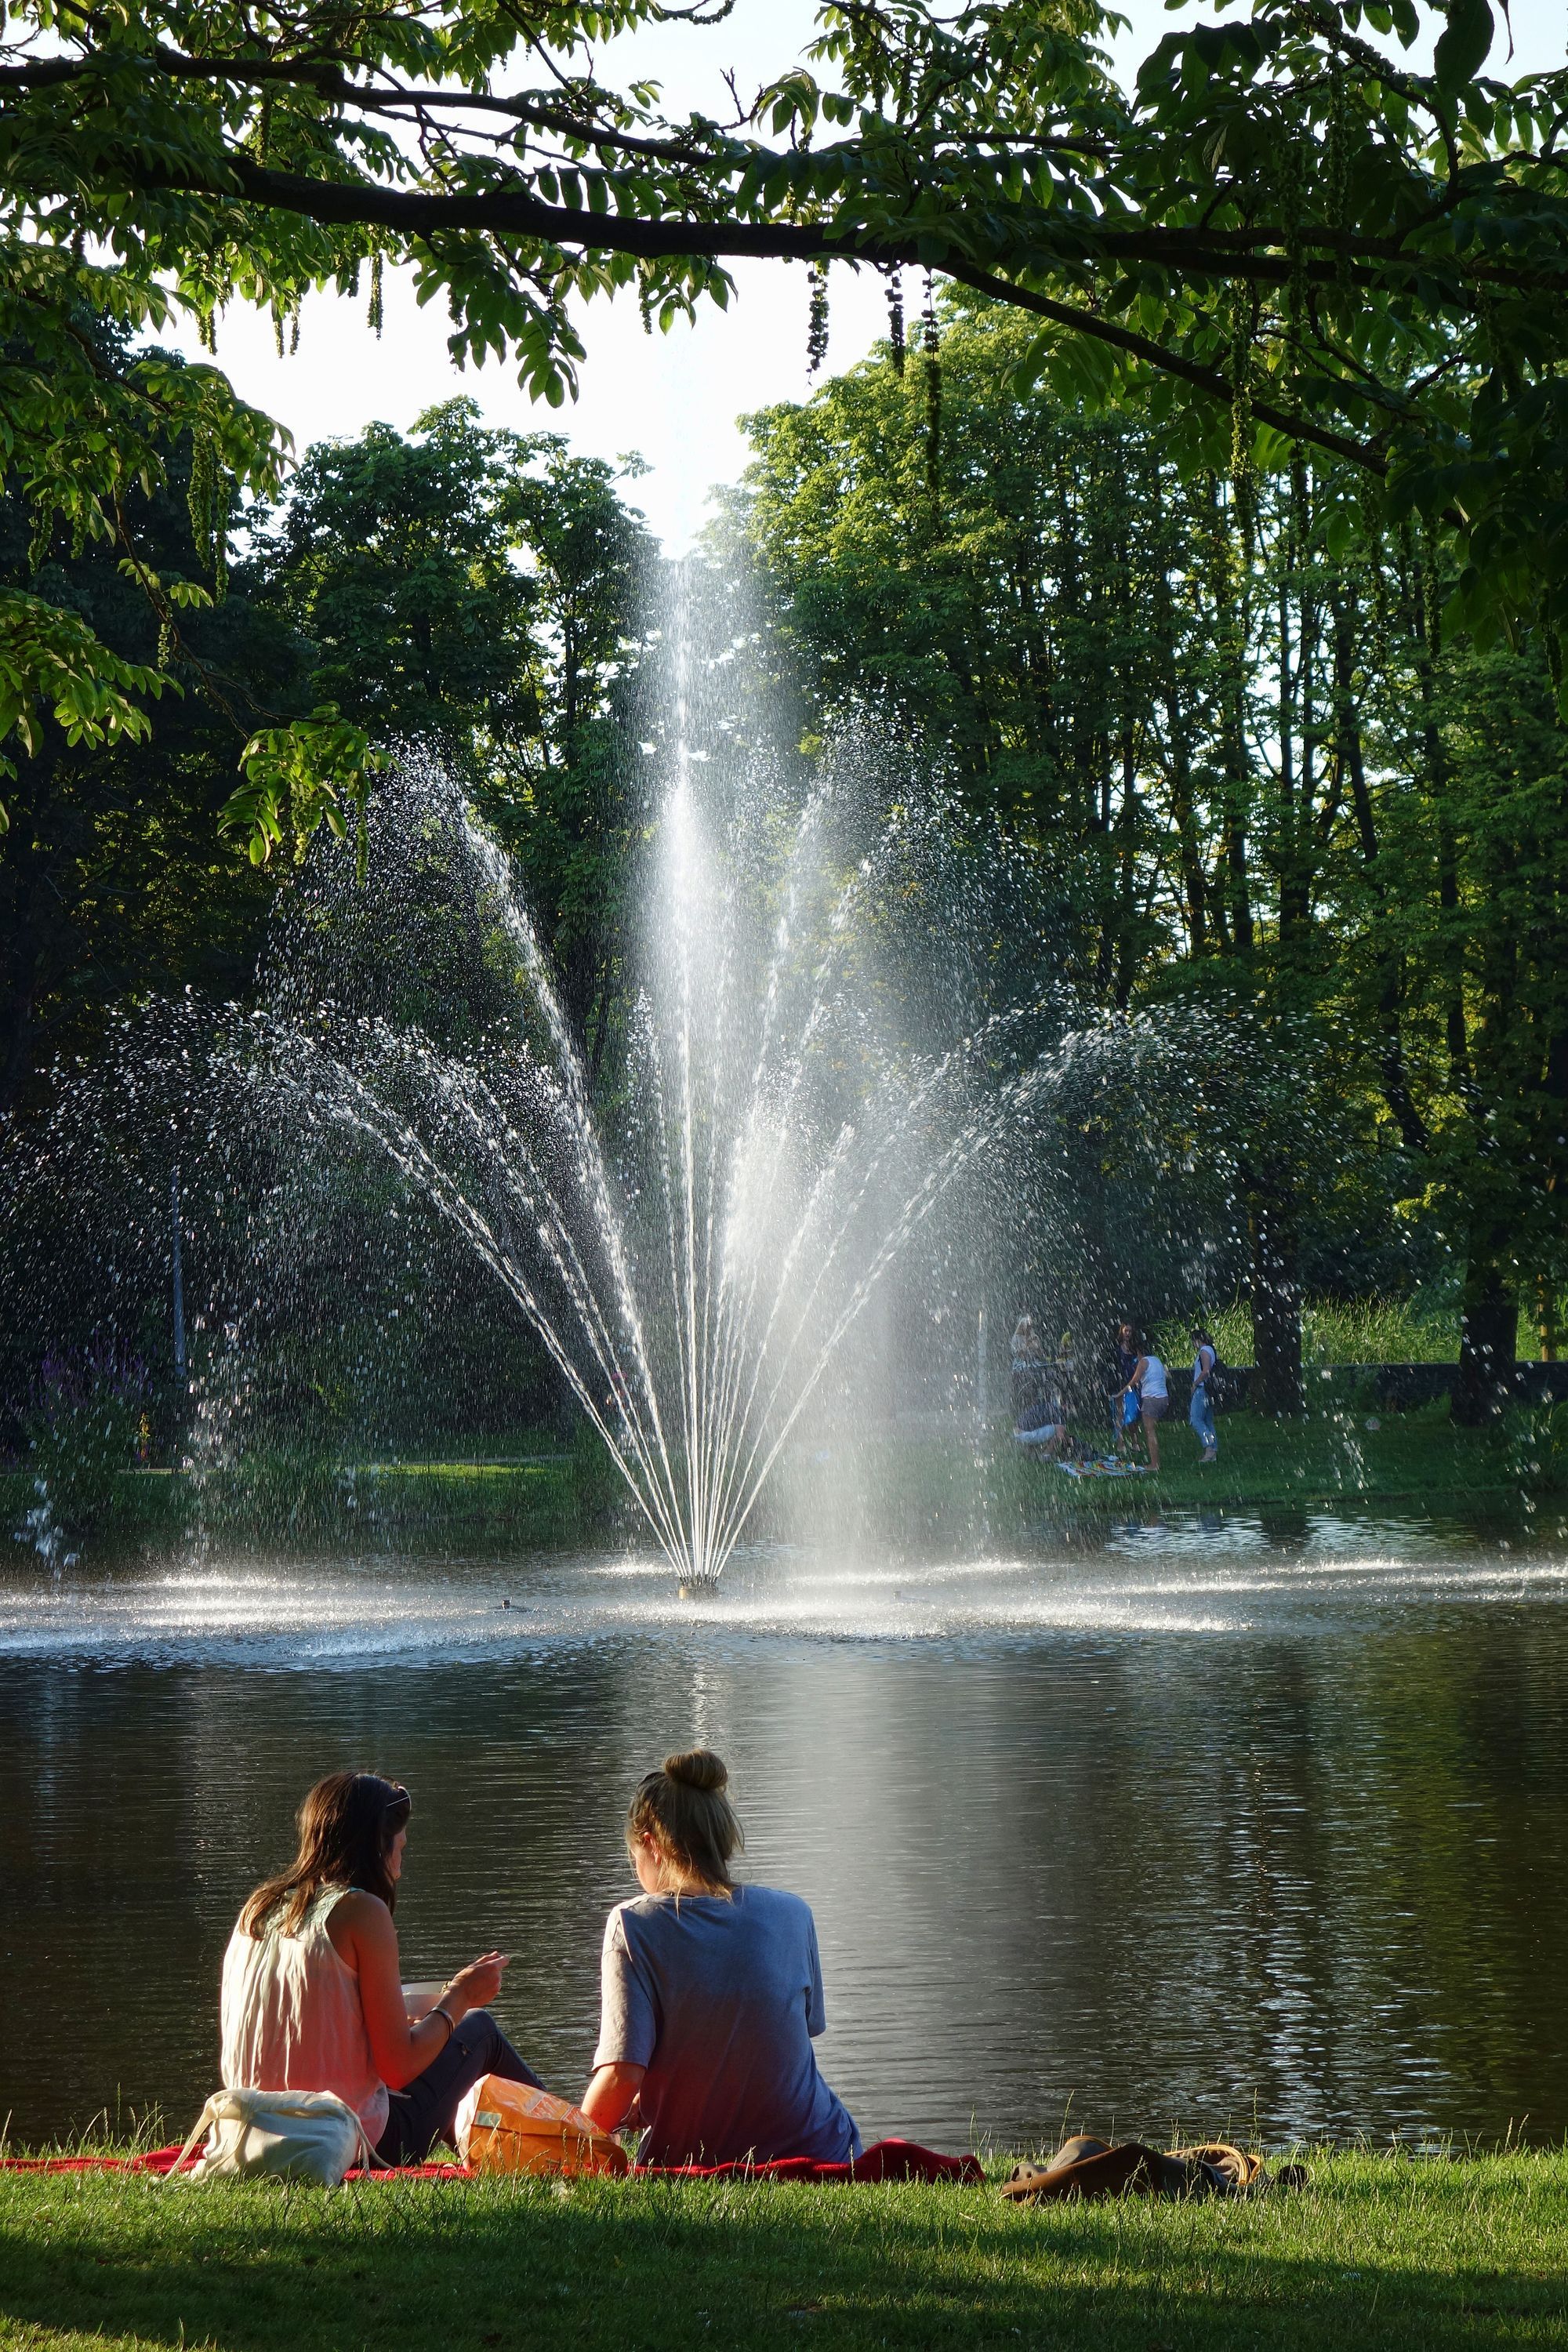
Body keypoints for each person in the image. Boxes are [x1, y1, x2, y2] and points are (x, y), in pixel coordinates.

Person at [220, 1769, 543, 2162]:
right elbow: (398, 2068)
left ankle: (511, 2150)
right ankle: (581, 2144)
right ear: (377, 1845)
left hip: (248, 2131)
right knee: (480, 2031)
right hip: (346, 2140)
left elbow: (302, 2028)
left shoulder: (260, 1908)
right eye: (400, 1848)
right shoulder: (360, 1911)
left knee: (444, 2052)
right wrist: (460, 1996)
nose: (400, 1868)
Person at [580, 1748, 859, 2169]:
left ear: (652, 1845)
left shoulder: (633, 1925)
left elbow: (622, 2075)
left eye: (634, 1856)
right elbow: (767, 2043)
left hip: (693, 2159)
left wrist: (565, 2147)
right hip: (825, 2150)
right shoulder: (793, 1913)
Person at [1011, 1314, 1063, 1457]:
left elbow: (1040, 1354)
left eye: (1030, 1326)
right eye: (1026, 1326)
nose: (1029, 1329)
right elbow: (1019, 1355)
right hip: (1022, 1367)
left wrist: (1036, 1345)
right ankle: (1032, 1446)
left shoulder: (1034, 1337)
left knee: (1043, 1375)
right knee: (1029, 1393)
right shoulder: (1016, 1339)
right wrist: (1027, 1345)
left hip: (1035, 1367)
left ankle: (1042, 1398)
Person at [1123, 1336, 1169, 1473]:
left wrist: (1120, 1394)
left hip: (1151, 1399)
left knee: (1150, 1432)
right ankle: (1155, 1462)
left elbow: (1133, 1381)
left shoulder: (1143, 1362)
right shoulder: (1157, 1360)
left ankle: (1154, 1464)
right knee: (1151, 1430)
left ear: (1138, 1351)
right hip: (1163, 1399)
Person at [1106, 1319, 1141, 1453]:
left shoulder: (1135, 1349)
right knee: (1120, 1414)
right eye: (1126, 1331)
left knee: (1132, 1415)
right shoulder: (1116, 1349)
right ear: (1121, 1331)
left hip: (1133, 1384)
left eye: (1130, 1331)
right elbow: (1112, 1368)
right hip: (1120, 1385)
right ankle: (1121, 1444)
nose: (1128, 1333)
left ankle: (1135, 1442)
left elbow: (1140, 1365)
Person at [1190, 1326, 1219, 1464]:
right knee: (1207, 1420)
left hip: (1202, 1389)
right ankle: (1213, 1450)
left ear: (1198, 1340)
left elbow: (1206, 1371)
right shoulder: (1211, 1350)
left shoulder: (1204, 1351)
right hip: (1209, 1390)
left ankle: (1209, 1448)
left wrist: (1195, 1384)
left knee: (1195, 1419)